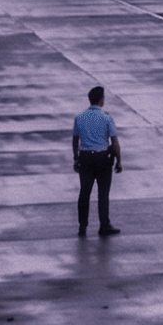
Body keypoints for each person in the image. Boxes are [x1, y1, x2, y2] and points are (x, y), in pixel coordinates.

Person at [72, 86, 123, 236]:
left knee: (84, 192)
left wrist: (76, 158)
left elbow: (75, 141)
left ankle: (83, 226)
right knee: (103, 193)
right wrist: (119, 161)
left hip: (86, 158)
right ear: (101, 100)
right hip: (102, 159)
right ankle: (104, 225)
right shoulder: (107, 118)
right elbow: (114, 142)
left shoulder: (79, 118)